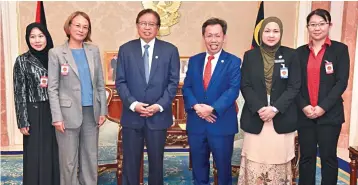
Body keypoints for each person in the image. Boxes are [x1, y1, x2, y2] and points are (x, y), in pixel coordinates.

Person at [115, 9, 180, 185]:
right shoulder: (125, 49)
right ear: (137, 26)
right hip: (132, 116)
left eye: (151, 24)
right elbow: (120, 82)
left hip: (158, 116)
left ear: (158, 28)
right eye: (143, 23)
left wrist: (158, 106)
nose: (147, 27)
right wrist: (133, 104)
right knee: (130, 164)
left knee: (156, 164)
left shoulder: (170, 50)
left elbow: (173, 84)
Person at [238, 17, 301, 184]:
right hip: (255, 114)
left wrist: (275, 109)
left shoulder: (291, 55)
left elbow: (294, 86)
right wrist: (260, 108)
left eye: (276, 31)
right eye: (267, 31)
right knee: (256, 157)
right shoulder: (250, 55)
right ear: (260, 33)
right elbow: (245, 85)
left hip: (282, 114)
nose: (271, 35)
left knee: (278, 157)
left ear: (281, 33)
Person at [47, 11, 107, 185]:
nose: (81, 29)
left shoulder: (93, 50)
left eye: (85, 27)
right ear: (69, 26)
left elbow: (100, 84)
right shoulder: (56, 53)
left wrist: (103, 110)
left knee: (90, 157)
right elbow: (52, 88)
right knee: (68, 161)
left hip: (91, 112)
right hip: (67, 114)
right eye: (77, 25)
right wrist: (57, 117)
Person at [182, 18, 241, 185]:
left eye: (217, 35)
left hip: (221, 124)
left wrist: (212, 109)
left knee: (223, 170)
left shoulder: (233, 61)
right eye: (209, 36)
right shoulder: (194, 60)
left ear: (224, 37)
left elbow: (233, 90)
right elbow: (187, 88)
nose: (213, 40)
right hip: (197, 123)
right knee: (198, 169)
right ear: (203, 37)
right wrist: (196, 107)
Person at [296, 9, 350, 185]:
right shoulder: (299, 53)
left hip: (330, 115)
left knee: (328, 158)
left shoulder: (340, 50)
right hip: (305, 115)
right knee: (306, 158)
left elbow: (341, 83)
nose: (317, 28)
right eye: (313, 24)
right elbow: (294, 85)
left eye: (321, 24)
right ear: (307, 28)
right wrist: (304, 106)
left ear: (329, 25)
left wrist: (322, 107)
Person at [13, 22, 60, 185]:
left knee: (54, 152)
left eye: (40, 36)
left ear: (47, 37)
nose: (37, 40)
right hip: (34, 112)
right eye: (32, 37)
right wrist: (22, 120)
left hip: (56, 110)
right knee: (35, 154)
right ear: (27, 39)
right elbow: (19, 92)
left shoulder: (56, 57)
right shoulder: (22, 61)